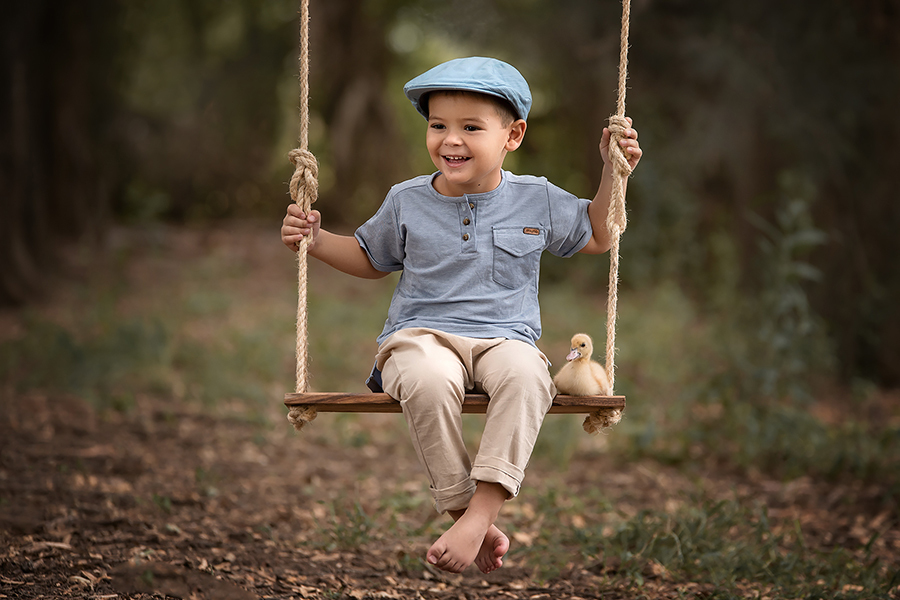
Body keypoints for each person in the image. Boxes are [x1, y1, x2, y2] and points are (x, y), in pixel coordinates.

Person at [281, 56, 642, 574]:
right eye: (438, 126)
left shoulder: (535, 197)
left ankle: (478, 516)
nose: (450, 139)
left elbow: (599, 234)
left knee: (528, 376)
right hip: (420, 337)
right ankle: (464, 511)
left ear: (512, 135)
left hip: (506, 340)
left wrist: (613, 169)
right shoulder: (406, 200)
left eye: (471, 127)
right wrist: (315, 240)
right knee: (425, 378)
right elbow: (369, 256)